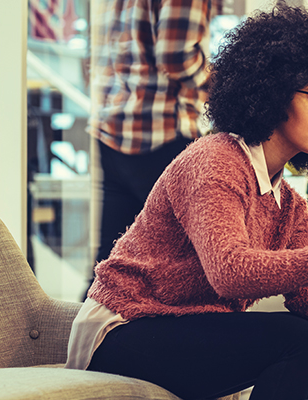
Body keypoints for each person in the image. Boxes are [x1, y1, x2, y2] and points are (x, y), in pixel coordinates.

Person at [66, 6, 308, 400]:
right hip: (123, 328)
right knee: (296, 339)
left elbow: (306, 295)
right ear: (274, 91)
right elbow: (229, 271)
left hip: (183, 327)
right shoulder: (215, 160)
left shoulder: (289, 205)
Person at [87, 0, 221, 295]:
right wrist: (223, 85)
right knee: (185, 268)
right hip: (161, 131)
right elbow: (176, 56)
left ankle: (82, 337)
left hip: (113, 126)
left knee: (111, 262)